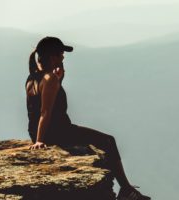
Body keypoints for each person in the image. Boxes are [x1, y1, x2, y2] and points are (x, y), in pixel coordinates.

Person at [25, 36, 151, 200]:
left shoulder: (33, 77)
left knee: (102, 141)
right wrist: (40, 140)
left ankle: (126, 189)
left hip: (38, 130)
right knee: (108, 141)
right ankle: (126, 190)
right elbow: (45, 112)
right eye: (61, 54)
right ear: (52, 57)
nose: (63, 57)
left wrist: (59, 81)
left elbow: (39, 108)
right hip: (58, 132)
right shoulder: (50, 79)